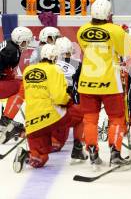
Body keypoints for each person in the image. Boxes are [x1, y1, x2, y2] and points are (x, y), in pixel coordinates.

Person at [76, 0, 131, 168]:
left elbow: (87, 48)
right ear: (109, 14)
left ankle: (93, 152)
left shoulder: (82, 30)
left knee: (90, 119)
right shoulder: (117, 31)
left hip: (86, 83)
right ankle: (115, 152)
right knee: (116, 118)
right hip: (110, 83)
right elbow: (127, 56)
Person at [13, 44, 71, 173]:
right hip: (50, 117)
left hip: (32, 121)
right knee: (79, 115)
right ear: (55, 57)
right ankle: (68, 144)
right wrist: (69, 99)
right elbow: (59, 97)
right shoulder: (56, 70)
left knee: (40, 158)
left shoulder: (28, 69)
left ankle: (27, 155)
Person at [54, 37, 88, 161]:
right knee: (84, 115)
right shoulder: (78, 64)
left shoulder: (48, 65)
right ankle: (78, 146)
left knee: (55, 145)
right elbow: (83, 88)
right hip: (68, 110)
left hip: (47, 113)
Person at [0, 27, 33, 144]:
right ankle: (6, 119)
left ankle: (6, 120)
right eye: (26, 41)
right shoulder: (12, 51)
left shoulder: (9, 45)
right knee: (21, 87)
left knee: (18, 83)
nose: (27, 44)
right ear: (19, 40)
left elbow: (5, 71)